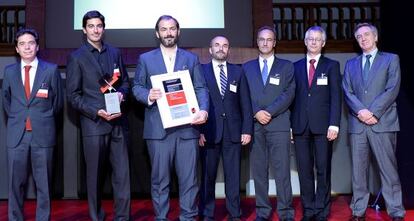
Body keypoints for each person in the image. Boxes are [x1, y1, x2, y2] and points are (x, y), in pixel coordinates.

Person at [132, 15, 209, 221]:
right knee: (159, 181)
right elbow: (136, 87)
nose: (168, 33)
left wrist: (203, 110)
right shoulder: (145, 59)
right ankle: (161, 217)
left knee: (189, 180)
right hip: (158, 131)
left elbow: (200, 87)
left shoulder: (190, 59)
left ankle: (188, 217)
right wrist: (148, 94)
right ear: (157, 33)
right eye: (164, 29)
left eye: (172, 29)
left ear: (178, 31)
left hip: (187, 129)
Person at [66, 10, 131, 221]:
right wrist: (96, 111)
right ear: (84, 30)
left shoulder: (115, 53)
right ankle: (96, 217)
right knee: (94, 177)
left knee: (122, 175)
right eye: (91, 26)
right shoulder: (76, 58)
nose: (96, 30)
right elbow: (73, 96)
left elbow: (126, 83)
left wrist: (122, 94)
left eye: (99, 26)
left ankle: (122, 217)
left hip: (118, 122)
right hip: (94, 124)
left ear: (103, 28)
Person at [342, 23, 405, 221]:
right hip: (358, 124)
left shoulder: (391, 59)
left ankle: (396, 211)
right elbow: (347, 90)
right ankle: (358, 211)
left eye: (366, 34)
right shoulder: (351, 64)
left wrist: (374, 113)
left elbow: (392, 88)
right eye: (359, 36)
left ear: (375, 37)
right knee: (358, 172)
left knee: (388, 170)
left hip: (383, 123)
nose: (363, 38)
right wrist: (361, 111)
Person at [2, 28, 63, 221]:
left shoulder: (51, 70)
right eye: (22, 44)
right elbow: (6, 101)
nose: (27, 47)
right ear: (17, 49)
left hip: (43, 136)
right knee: (15, 184)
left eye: (30, 43)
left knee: (43, 185)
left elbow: (58, 103)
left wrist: (43, 119)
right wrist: (17, 118)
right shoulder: (9, 72)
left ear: (37, 46)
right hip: (17, 136)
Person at [242, 26, 295, 221]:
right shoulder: (246, 67)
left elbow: (288, 94)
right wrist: (257, 112)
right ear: (257, 42)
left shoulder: (286, 66)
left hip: (279, 125)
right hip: (255, 126)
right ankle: (263, 211)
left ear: (274, 43)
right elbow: (244, 95)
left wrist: (269, 112)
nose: (265, 43)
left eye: (269, 39)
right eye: (262, 39)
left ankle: (286, 212)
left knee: (282, 172)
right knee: (259, 172)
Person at [198, 36, 253, 221]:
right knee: (207, 177)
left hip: (233, 133)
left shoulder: (238, 72)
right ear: (210, 50)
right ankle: (206, 213)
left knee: (233, 176)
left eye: (225, 45)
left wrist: (247, 129)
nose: (221, 48)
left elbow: (245, 103)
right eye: (217, 45)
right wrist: (198, 131)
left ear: (228, 49)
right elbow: (196, 102)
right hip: (208, 132)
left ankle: (234, 213)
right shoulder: (200, 71)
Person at [290, 26, 341, 221]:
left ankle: (322, 210)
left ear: (323, 43)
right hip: (300, 127)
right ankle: (309, 210)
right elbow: (291, 99)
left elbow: (336, 97)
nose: (313, 42)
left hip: (324, 128)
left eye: (317, 39)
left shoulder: (331, 65)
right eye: (310, 38)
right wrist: (290, 127)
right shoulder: (294, 67)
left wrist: (334, 124)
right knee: (304, 171)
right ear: (305, 41)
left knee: (323, 170)